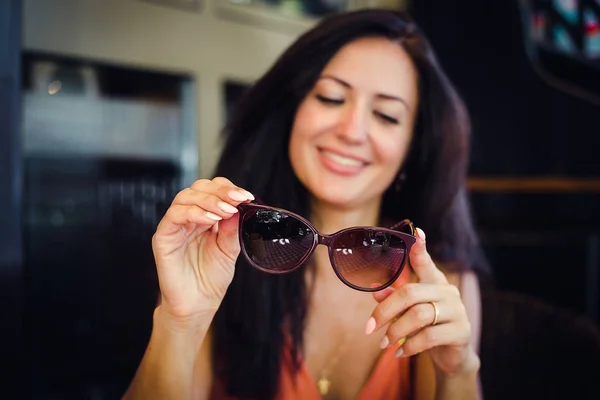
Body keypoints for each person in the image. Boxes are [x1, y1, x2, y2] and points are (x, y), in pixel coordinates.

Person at [124, 8, 489, 400]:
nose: (351, 131)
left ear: (412, 151)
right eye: (331, 97)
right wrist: (179, 323)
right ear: (291, 112)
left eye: (386, 115)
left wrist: (459, 372)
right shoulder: (222, 255)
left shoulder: (443, 288)